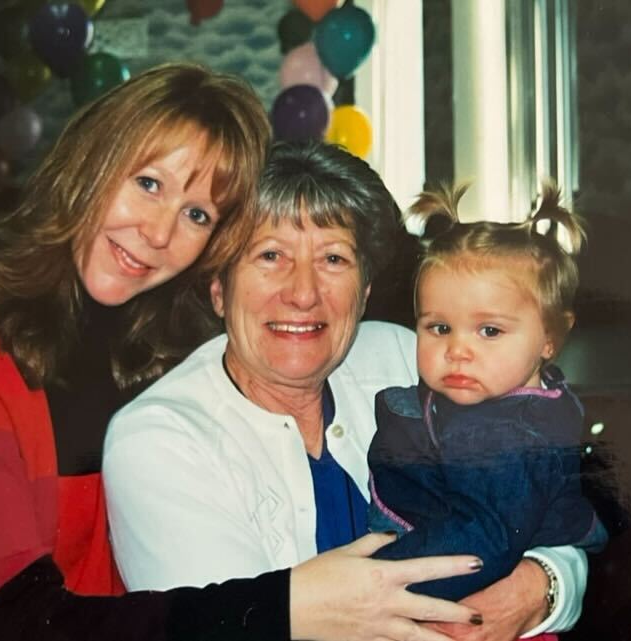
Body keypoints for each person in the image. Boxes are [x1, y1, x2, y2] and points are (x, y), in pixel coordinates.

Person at [0, 64, 482, 641]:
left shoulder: (172, 349)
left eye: (196, 213)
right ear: (87, 165)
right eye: (147, 184)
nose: (159, 232)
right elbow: (19, 626)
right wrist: (291, 604)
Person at [104, 140, 590, 640]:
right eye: (270, 255)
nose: (303, 293)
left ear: (365, 291)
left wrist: (541, 586)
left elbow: (549, 502)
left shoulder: (411, 359)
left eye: (333, 259)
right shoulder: (159, 441)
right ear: (219, 290)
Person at [367, 183, 608, 604]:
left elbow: (478, 543)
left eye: (490, 331)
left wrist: (371, 582)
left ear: (549, 338)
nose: (457, 350)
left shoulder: (508, 438)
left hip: (455, 587)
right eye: (440, 328)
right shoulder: (506, 399)